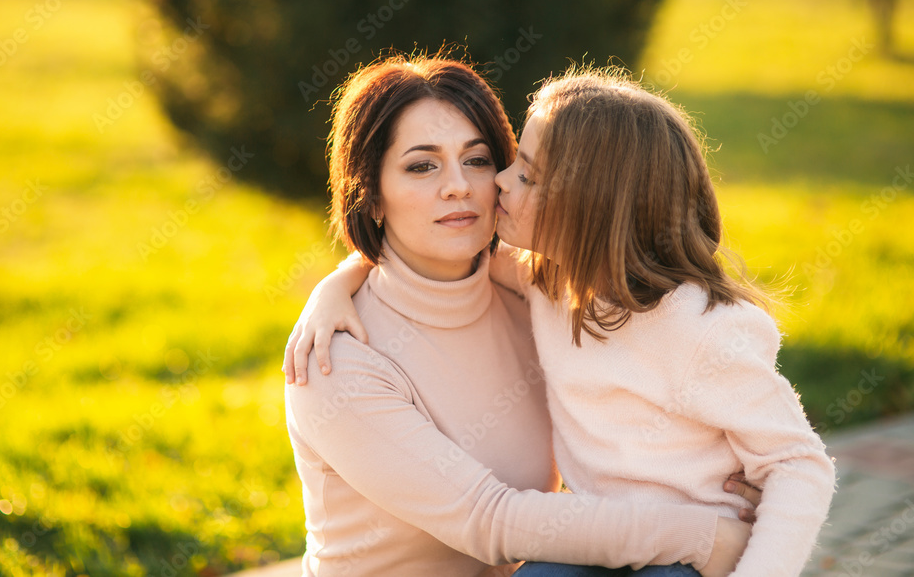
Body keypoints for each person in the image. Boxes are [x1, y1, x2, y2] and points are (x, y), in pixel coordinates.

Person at [287, 65, 836, 576]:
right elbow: (489, 520)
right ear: (372, 195)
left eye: (479, 159)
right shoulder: (337, 359)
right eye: (421, 165)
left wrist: (754, 512)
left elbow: (791, 461)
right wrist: (705, 534)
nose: (464, 186)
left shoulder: (540, 292)